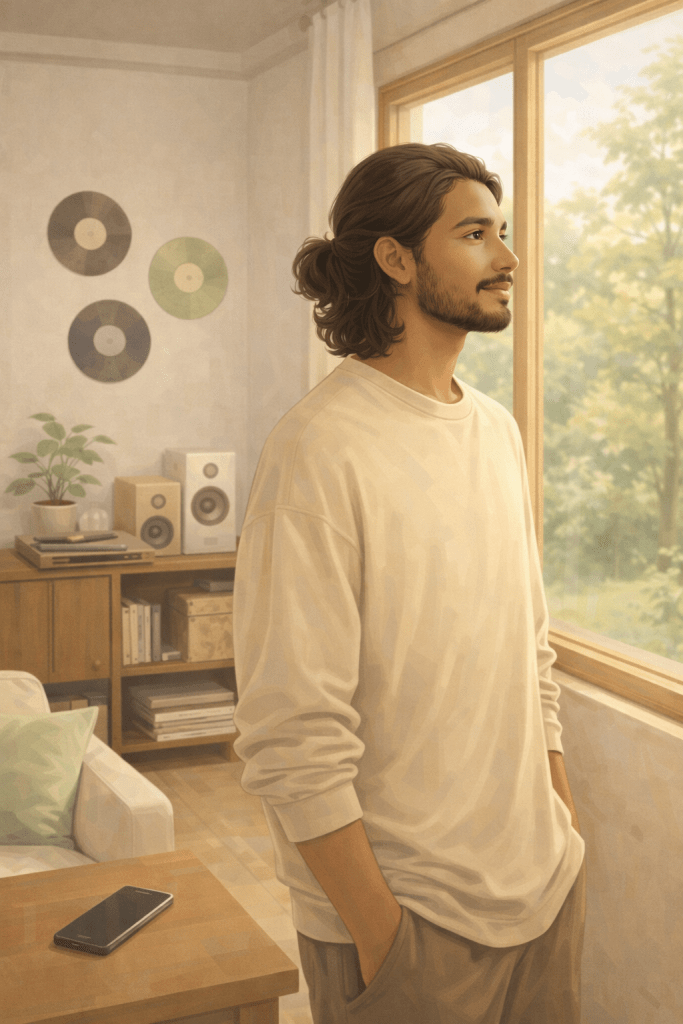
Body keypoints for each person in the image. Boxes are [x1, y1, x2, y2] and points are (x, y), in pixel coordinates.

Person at [232, 142, 586, 1024]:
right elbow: (290, 734)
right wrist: (384, 935)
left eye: (502, 234)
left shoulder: (495, 432)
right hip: (407, 929)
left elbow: (526, 653)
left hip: (540, 893)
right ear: (395, 258)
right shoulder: (318, 449)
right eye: (474, 234)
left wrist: (561, 830)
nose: (507, 259)